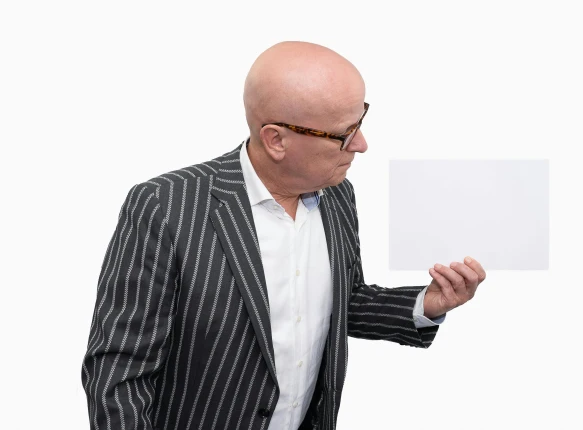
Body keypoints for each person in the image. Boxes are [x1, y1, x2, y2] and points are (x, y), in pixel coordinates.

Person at [81, 41, 486, 430]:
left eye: (360, 120)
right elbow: (119, 368)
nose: (361, 144)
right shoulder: (165, 205)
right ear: (276, 139)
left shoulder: (337, 194)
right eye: (344, 133)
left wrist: (425, 304)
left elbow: (341, 299)